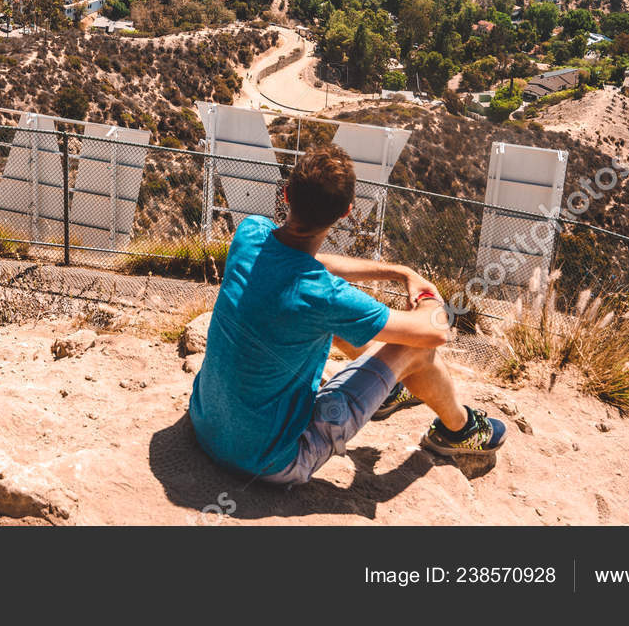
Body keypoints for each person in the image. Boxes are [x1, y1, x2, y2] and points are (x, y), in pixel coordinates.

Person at [188, 142, 504, 485]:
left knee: (323, 326)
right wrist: (427, 295)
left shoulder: (250, 233)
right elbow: (435, 332)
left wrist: (400, 272)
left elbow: (307, 262)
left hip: (206, 424)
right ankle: (459, 431)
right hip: (271, 461)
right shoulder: (324, 296)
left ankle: (390, 391)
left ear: (286, 193)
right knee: (418, 348)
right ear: (346, 212)